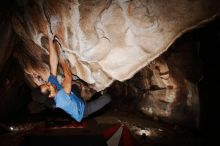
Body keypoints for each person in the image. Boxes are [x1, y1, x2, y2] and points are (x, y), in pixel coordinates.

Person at [32, 35, 111, 122]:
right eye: (48, 86)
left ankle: (80, 88)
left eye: (46, 83)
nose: (49, 83)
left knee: (74, 84)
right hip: (83, 111)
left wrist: (51, 41)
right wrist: (62, 56)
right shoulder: (61, 99)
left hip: (73, 95)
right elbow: (68, 75)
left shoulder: (52, 85)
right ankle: (102, 93)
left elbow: (53, 64)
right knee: (107, 98)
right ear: (50, 95)